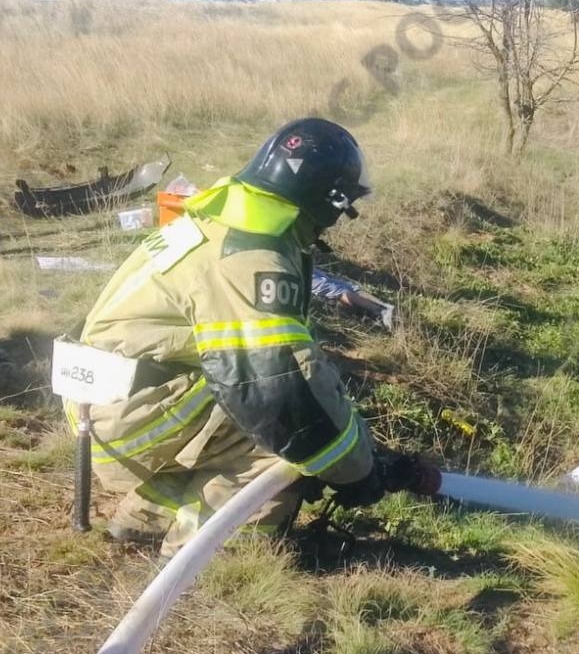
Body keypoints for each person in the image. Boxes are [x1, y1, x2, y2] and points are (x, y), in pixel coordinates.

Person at [73, 118, 388, 556]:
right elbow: (279, 390)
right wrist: (355, 469)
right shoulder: (249, 253)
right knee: (289, 441)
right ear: (329, 199)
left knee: (240, 408)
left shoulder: (226, 217)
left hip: (110, 402)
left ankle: (145, 521)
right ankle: (214, 556)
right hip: (125, 415)